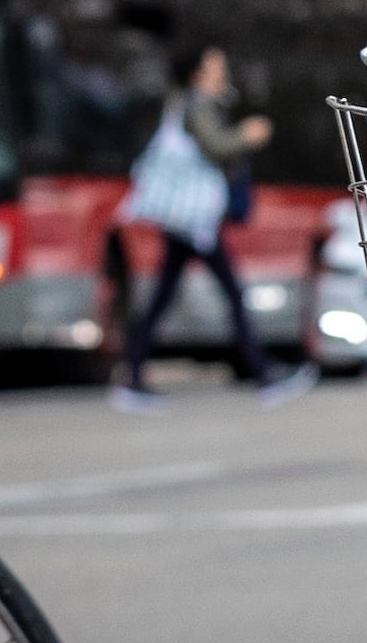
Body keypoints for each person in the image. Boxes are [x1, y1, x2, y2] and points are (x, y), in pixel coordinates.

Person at [115, 46, 294, 407]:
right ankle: (262, 373)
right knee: (231, 292)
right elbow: (216, 148)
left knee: (167, 295)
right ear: (197, 73)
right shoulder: (196, 106)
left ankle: (132, 374)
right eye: (215, 67)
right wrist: (247, 135)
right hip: (193, 219)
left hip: (186, 219)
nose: (222, 72)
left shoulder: (186, 103)